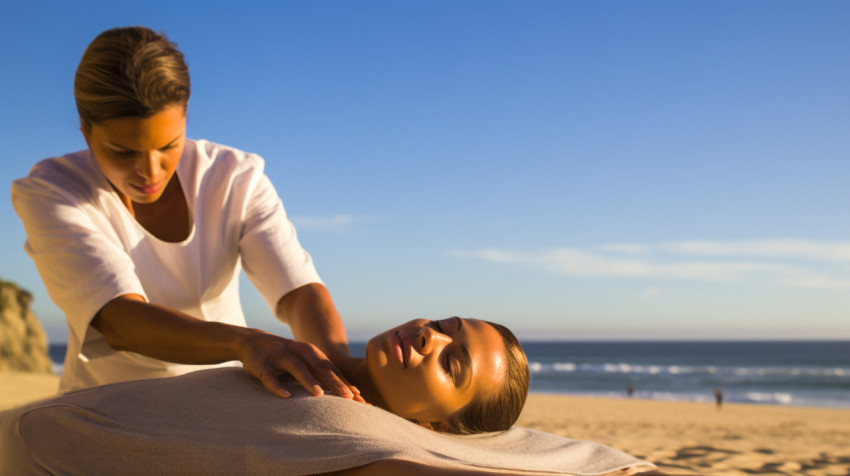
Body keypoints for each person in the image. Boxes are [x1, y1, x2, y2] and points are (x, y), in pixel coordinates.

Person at [11, 26, 357, 401]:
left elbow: (298, 290)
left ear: (185, 121)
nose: (150, 171)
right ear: (85, 132)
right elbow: (120, 320)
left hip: (231, 402)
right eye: (123, 152)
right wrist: (246, 343)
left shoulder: (234, 177)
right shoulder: (52, 191)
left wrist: (335, 371)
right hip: (106, 410)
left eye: (168, 145)